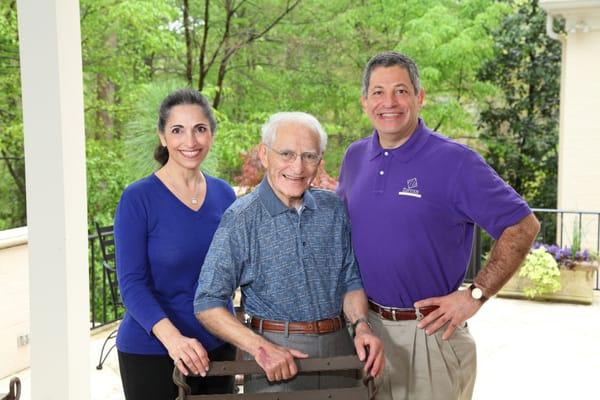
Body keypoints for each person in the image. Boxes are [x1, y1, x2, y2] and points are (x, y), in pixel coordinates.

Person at [336, 51, 541, 400]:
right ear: (364, 101)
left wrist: (475, 295)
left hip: (428, 335)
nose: (389, 102)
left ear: (419, 97)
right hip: (364, 331)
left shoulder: (455, 161)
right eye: (378, 92)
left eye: (401, 91)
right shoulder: (354, 157)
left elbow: (523, 225)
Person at [193, 112, 385, 393]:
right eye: (286, 154)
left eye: (309, 156)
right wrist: (260, 348)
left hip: (340, 350)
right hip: (275, 358)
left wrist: (362, 326)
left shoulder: (333, 209)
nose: (298, 167)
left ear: (319, 161)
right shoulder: (241, 218)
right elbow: (207, 302)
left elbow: (350, 280)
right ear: (264, 154)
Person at [114, 88, 237, 400]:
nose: (190, 142)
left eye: (200, 129)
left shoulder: (224, 195)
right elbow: (131, 284)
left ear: (211, 134)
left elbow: (234, 269)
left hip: (217, 348)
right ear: (162, 136)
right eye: (177, 130)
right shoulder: (138, 198)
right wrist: (175, 341)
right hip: (153, 351)